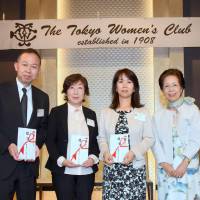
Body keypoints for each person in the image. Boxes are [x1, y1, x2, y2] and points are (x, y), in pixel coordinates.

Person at [97, 68, 154, 200]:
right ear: (115, 87)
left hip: (135, 169)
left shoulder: (143, 111)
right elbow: (101, 138)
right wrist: (105, 153)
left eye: (129, 82)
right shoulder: (106, 112)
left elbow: (149, 138)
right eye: (120, 81)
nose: (124, 85)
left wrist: (134, 152)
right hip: (112, 170)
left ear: (134, 88)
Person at [0, 48, 49, 200]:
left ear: (38, 70)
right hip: (4, 164)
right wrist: (8, 144)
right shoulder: (1, 91)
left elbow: (43, 126)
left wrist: (37, 145)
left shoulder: (42, 97)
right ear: (16, 66)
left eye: (34, 66)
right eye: (25, 65)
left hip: (29, 167)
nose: (29, 70)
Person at [46, 73, 99, 200]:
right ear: (66, 91)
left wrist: (92, 158)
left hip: (86, 171)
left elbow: (95, 141)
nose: (76, 92)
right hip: (63, 170)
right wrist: (61, 160)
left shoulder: (91, 114)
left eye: (80, 88)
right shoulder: (56, 112)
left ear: (85, 92)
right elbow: (50, 140)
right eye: (71, 87)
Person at [153, 68, 200, 200]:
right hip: (166, 171)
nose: (171, 89)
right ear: (162, 90)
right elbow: (155, 143)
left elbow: (196, 139)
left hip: (188, 168)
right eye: (166, 86)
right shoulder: (157, 116)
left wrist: (184, 163)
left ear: (181, 87)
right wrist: (165, 164)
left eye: (175, 85)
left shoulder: (193, 109)